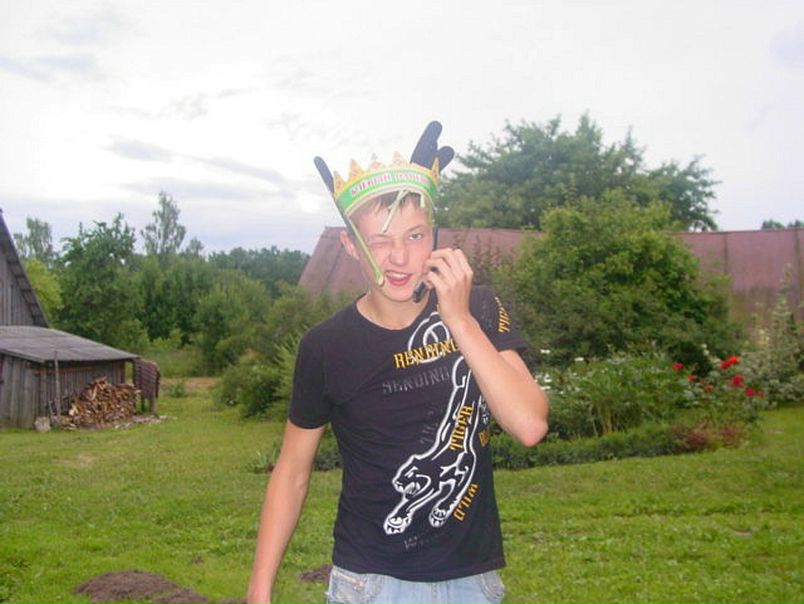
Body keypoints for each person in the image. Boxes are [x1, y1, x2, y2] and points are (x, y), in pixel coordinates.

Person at [247, 122, 548, 604]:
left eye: (415, 235)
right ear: (350, 245)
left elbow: (529, 424)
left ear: (434, 236)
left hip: (473, 584)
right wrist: (259, 590)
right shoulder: (326, 346)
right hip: (371, 584)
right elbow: (293, 470)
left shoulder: (478, 307)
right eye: (380, 241)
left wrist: (458, 319)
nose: (401, 257)